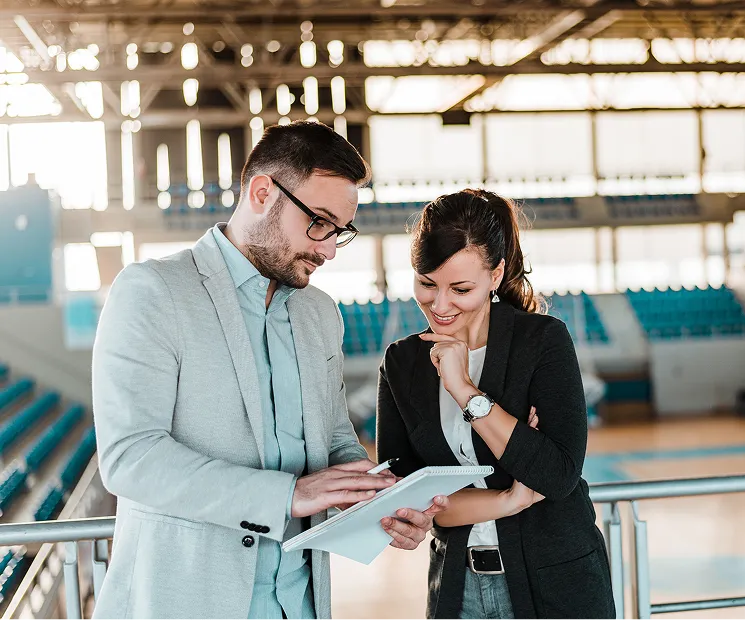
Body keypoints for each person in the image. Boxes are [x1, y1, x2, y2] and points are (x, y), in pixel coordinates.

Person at [92, 120, 446, 620]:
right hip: (187, 601)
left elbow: (334, 440)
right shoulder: (153, 292)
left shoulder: (320, 312)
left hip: (298, 604)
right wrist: (288, 495)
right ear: (262, 193)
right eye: (318, 222)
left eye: (339, 232)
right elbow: (131, 457)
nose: (326, 248)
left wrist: (372, 498)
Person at [376, 189, 616, 620]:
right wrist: (511, 498)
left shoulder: (542, 341)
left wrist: (465, 391)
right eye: (427, 284)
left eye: (460, 288)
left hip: (556, 586)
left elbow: (558, 476)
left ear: (495, 274)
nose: (440, 305)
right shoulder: (402, 362)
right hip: (457, 587)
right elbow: (408, 494)